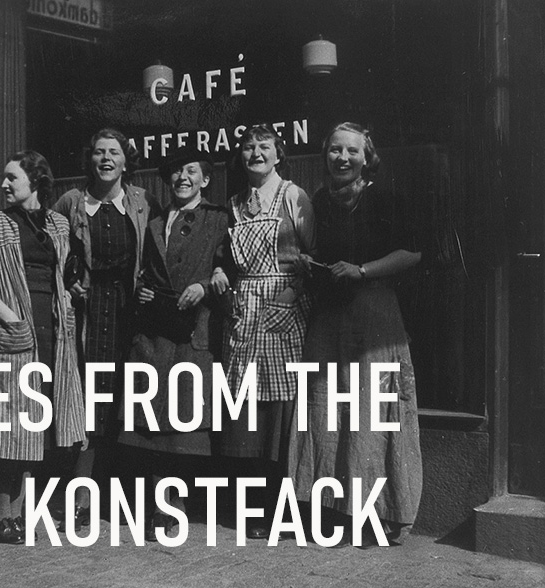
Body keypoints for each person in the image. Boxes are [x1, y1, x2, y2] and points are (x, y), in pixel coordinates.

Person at [287, 122, 423, 548]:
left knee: (372, 410)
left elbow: (412, 252)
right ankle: (328, 509)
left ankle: (381, 513)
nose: (342, 158)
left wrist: (362, 270)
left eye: (351, 151)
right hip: (329, 315)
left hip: (374, 312)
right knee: (324, 409)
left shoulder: (384, 198)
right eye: (334, 151)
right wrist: (311, 265)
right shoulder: (316, 203)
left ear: (367, 158)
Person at [0, 150, 85, 544]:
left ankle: (23, 512)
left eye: (12, 178)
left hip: (53, 336)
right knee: (10, 425)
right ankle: (3, 514)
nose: (3, 185)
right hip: (13, 337)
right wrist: (10, 317)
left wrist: (69, 295)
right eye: (4, 178)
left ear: (36, 181)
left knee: (37, 427)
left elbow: (64, 272)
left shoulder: (58, 224)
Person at [117, 147, 230, 541]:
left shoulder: (218, 219)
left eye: (190, 171)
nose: (181, 177)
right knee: (152, 426)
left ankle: (176, 506)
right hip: (154, 335)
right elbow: (146, 272)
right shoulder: (155, 222)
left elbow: (228, 266)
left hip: (194, 333)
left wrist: (204, 285)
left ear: (204, 179)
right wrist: (144, 292)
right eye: (175, 172)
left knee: (185, 429)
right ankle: (155, 506)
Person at [213, 123, 316, 539]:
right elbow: (226, 257)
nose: (255, 153)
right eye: (249, 147)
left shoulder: (293, 195)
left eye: (264, 147)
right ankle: (256, 508)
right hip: (245, 310)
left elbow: (313, 254)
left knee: (282, 411)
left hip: (285, 305)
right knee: (248, 411)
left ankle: (283, 509)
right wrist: (221, 270)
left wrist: (291, 295)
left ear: (278, 155)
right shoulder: (235, 204)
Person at [52, 128, 157, 531]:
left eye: (114, 152)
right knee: (91, 407)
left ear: (126, 161)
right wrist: (69, 281)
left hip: (132, 313)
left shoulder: (143, 201)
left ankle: (129, 501)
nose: (106, 159)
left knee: (130, 404)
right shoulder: (72, 202)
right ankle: (79, 499)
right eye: (99, 152)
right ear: (90, 159)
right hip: (90, 315)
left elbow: (160, 251)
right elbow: (54, 254)